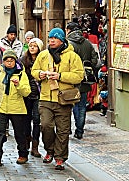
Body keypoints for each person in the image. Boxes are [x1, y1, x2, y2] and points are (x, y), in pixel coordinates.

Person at [31, 28, 84, 170]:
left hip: (64, 99)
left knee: (63, 130)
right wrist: (40, 74)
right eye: (50, 38)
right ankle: (50, 150)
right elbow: (33, 71)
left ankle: (60, 157)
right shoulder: (43, 55)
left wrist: (60, 76)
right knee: (46, 125)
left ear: (61, 40)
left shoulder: (72, 56)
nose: (51, 40)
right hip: (46, 98)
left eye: (54, 38)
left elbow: (79, 76)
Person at [0, 50, 31, 167]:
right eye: (7, 61)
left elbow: (26, 92)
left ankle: (23, 154)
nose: (9, 63)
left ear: (15, 61)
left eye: (11, 61)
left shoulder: (21, 74)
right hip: (1, 108)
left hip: (17, 109)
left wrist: (18, 85)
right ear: (3, 61)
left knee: (19, 133)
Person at [66, 22, 99, 140]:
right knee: (82, 106)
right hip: (85, 79)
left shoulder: (68, 44)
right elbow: (95, 61)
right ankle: (79, 131)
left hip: (71, 79)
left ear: (69, 30)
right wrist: (89, 70)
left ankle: (69, 128)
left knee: (72, 104)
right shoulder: (88, 43)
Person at [20, 38, 44, 157]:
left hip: (39, 94)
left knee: (36, 120)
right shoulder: (23, 60)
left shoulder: (43, 59)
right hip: (26, 94)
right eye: (31, 46)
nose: (32, 48)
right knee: (26, 120)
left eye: (35, 46)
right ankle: (26, 141)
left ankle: (35, 146)